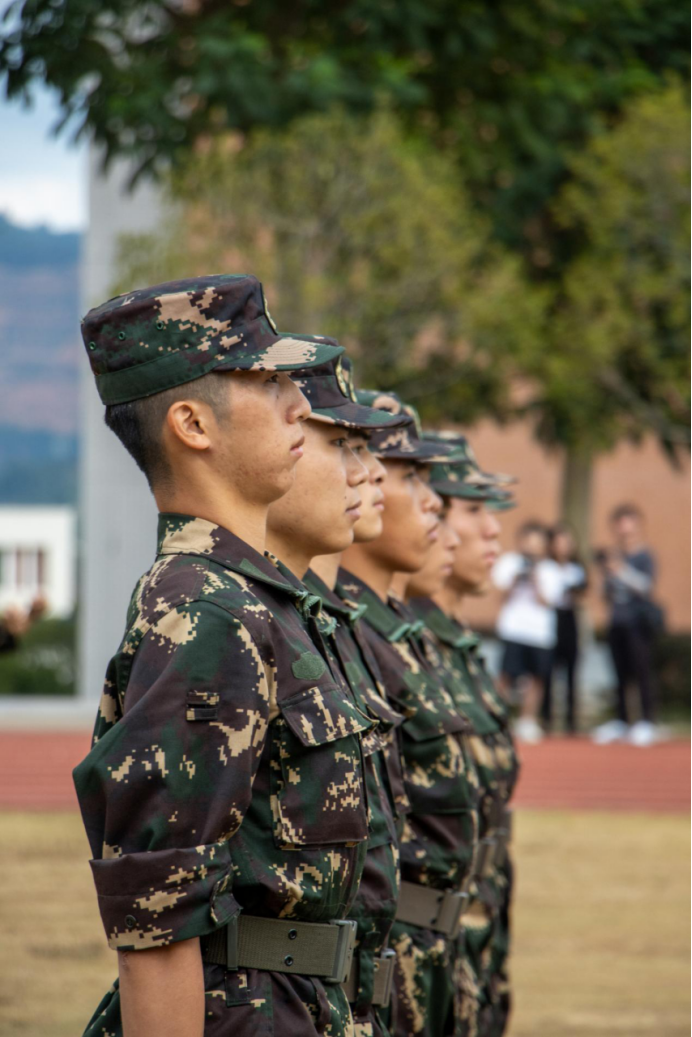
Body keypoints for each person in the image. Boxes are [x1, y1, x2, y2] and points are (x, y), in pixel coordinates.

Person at [72, 275, 374, 1037]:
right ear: (192, 424)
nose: (299, 404)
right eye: (266, 382)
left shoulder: (256, 600)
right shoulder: (204, 611)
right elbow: (158, 918)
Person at [266, 356, 411, 1035]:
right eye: (344, 444)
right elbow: (165, 904)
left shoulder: (319, 623)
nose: (370, 473)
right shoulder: (217, 612)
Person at [335, 392, 481, 1037]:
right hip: (376, 956)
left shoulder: (390, 632)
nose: (434, 505)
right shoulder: (346, 629)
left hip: (430, 947)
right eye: (412, 477)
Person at [409, 434, 520, 1037]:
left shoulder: (449, 643)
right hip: (425, 937)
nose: (491, 529)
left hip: (474, 923)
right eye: (473, 508)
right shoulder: (404, 643)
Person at [593, 503, 662, 748]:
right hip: (617, 622)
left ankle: (647, 722)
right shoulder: (613, 556)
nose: (624, 531)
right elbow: (605, 594)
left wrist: (620, 569)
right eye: (620, 526)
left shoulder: (644, 556)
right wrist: (604, 575)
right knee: (619, 674)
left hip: (637, 624)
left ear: (637, 527)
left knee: (641, 672)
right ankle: (622, 721)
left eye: (628, 526)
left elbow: (646, 587)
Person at [492, 523, 563, 744]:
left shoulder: (551, 569)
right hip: (513, 629)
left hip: (539, 633)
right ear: (521, 542)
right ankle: (498, 718)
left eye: (537, 543)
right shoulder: (509, 562)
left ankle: (527, 720)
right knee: (505, 675)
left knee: (536, 678)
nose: (532, 547)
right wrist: (516, 578)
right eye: (528, 542)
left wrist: (535, 578)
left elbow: (548, 602)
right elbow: (499, 595)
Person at [541, 524, 588, 735]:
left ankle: (571, 721)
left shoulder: (577, 569)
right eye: (559, 542)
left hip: (570, 619)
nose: (563, 546)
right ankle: (546, 718)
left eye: (567, 542)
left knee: (571, 672)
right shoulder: (545, 568)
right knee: (548, 671)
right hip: (551, 619)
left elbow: (583, 596)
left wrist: (576, 593)